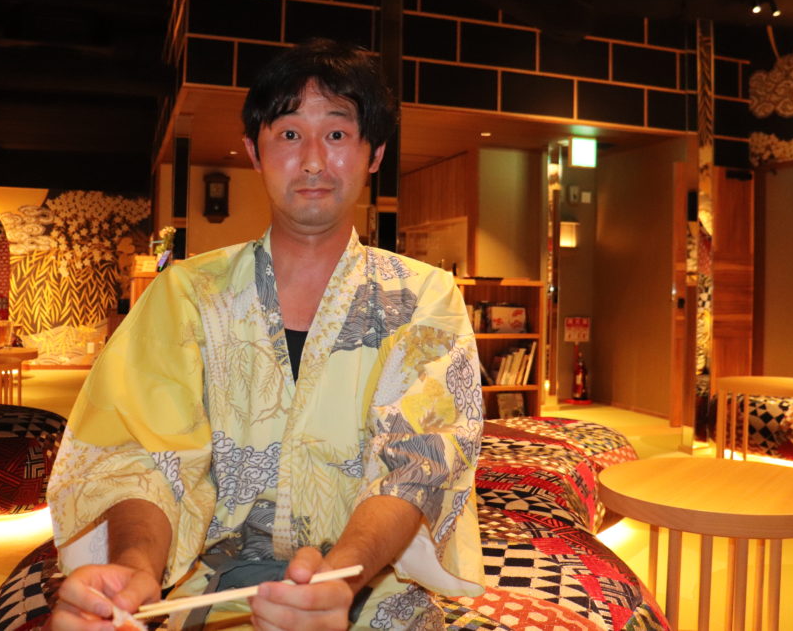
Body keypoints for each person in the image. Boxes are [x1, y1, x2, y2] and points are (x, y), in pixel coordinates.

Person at [46, 38, 484, 631]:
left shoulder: (425, 295)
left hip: (367, 584)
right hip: (210, 588)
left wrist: (336, 581)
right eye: (289, 134)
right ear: (254, 150)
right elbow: (139, 455)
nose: (313, 161)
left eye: (337, 134)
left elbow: (420, 461)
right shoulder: (185, 294)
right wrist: (135, 568)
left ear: (374, 153)